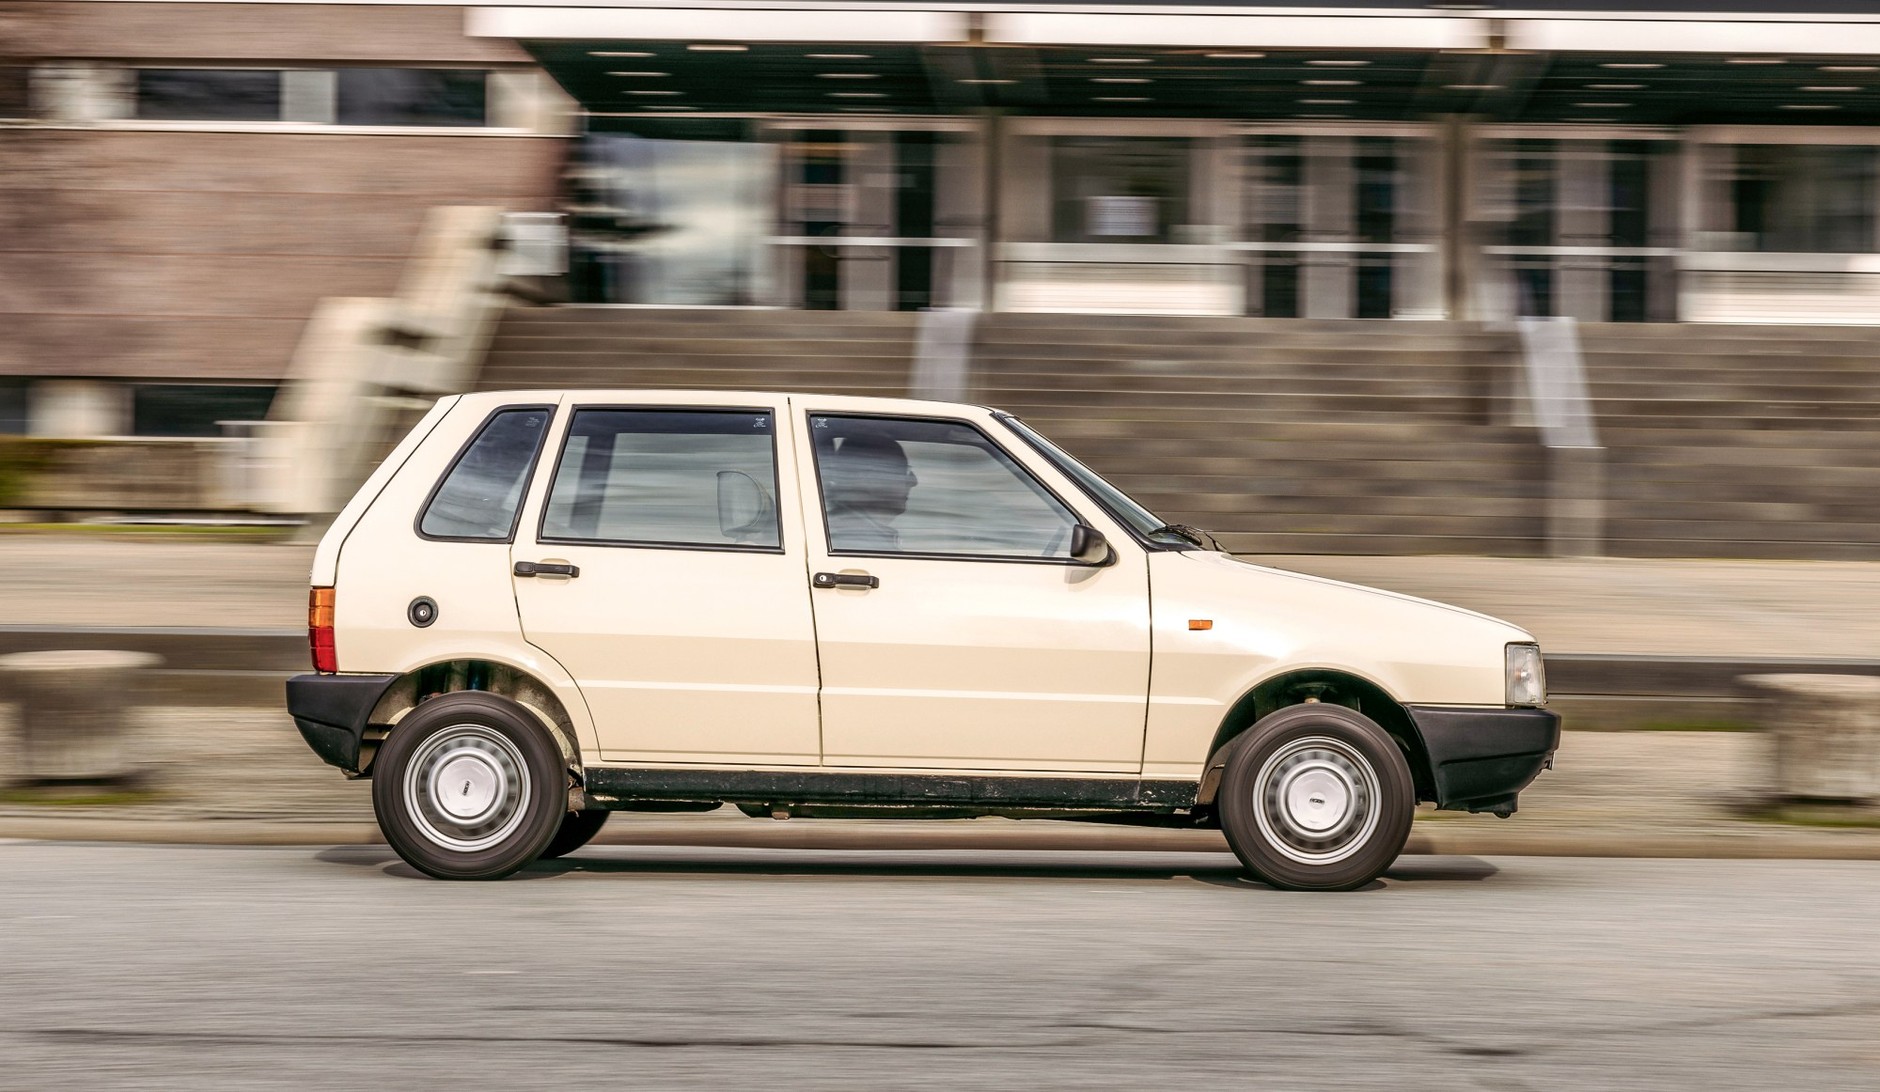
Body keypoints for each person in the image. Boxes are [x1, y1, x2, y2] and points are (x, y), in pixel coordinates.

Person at [822, 432, 918, 550]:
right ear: (867, 479)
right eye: (903, 470)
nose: (913, 481)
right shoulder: (855, 541)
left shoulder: (840, 532)